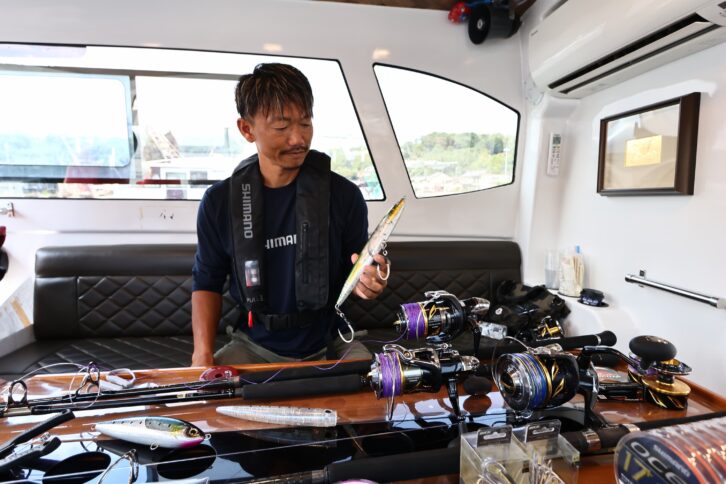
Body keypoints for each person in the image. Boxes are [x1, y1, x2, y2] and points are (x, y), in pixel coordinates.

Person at [191, 63, 388, 366]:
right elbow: (207, 281)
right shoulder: (219, 202)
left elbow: (360, 270)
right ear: (247, 129)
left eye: (305, 123)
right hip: (254, 345)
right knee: (209, 391)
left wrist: (370, 281)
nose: (298, 139)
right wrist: (201, 356)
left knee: (372, 385)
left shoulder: (345, 195)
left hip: (330, 340)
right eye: (282, 127)